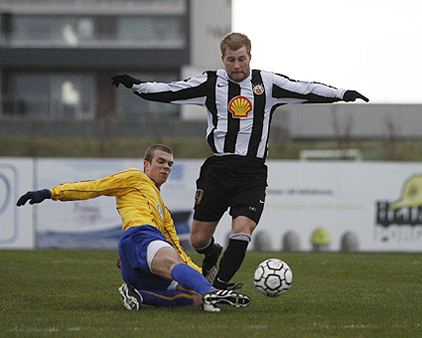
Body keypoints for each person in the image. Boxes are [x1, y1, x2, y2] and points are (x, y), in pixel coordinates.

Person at [111, 32, 369, 289]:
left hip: (252, 172)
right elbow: (170, 91)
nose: (237, 65)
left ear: (250, 57)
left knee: (242, 229)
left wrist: (343, 92)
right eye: (231, 60)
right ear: (223, 59)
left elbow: (306, 89)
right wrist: (136, 85)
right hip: (219, 168)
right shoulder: (211, 83)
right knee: (198, 239)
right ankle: (212, 254)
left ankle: (219, 287)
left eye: (242, 59)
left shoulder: (266, 83)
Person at [16, 144, 251, 312]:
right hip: (139, 238)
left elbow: (177, 248)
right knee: (180, 270)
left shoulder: (163, 210)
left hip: (136, 267)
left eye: (170, 164)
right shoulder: (134, 178)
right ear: (146, 164)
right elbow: (93, 187)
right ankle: (213, 292)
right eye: (161, 162)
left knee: (197, 297)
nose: (167, 167)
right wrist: (50, 193)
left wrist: (201, 278)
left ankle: (140, 295)